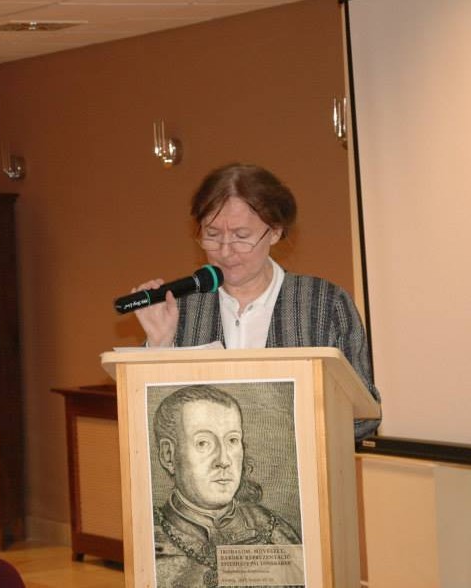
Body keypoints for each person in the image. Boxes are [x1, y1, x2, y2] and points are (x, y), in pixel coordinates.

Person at [132, 163, 381, 439]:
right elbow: (151, 420)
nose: (225, 251)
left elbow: (364, 417)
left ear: (274, 232)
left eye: (241, 236)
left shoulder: (325, 304)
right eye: (212, 235)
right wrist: (159, 345)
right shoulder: (183, 308)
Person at [152, 384, 302, 588]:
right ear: (168, 455)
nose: (223, 460)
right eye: (203, 443)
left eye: (232, 440)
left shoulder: (275, 531)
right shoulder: (151, 540)